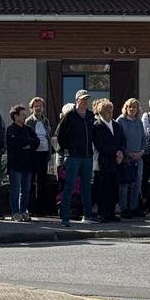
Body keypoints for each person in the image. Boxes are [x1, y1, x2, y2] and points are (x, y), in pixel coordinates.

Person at [56, 90, 96, 227]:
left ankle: (87, 215)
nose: (85, 102)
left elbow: (93, 134)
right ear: (77, 100)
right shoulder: (69, 115)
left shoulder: (90, 115)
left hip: (87, 156)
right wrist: (68, 149)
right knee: (69, 186)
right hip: (73, 157)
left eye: (86, 99)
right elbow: (60, 135)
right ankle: (65, 218)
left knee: (86, 186)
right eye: (82, 99)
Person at [91, 99, 126, 222]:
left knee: (113, 188)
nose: (110, 113)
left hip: (116, 162)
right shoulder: (97, 126)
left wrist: (121, 152)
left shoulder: (116, 125)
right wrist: (116, 152)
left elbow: (122, 141)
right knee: (103, 189)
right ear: (101, 112)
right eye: (107, 111)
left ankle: (111, 213)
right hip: (103, 162)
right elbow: (100, 145)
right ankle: (102, 213)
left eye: (111, 110)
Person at [5, 104, 38, 222]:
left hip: (28, 164)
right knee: (15, 189)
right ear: (16, 116)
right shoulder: (10, 129)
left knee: (26, 190)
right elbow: (15, 143)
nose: (25, 117)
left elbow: (36, 141)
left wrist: (27, 143)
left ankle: (23, 211)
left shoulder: (28, 129)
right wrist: (27, 142)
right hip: (15, 165)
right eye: (23, 115)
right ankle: (15, 212)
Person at [25, 97, 55, 216]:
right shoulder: (28, 121)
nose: (38, 108)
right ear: (31, 108)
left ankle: (40, 208)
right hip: (33, 155)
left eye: (40, 106)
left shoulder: (45, 121)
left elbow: (49, 136)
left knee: (42, 181)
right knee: (31, 181)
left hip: (44, 154)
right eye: (36, 106)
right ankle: (30, 208)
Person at [116, 98, 146, 219]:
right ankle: (124, 209)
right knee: (124, 185)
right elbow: (118, 140)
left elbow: (144, 139)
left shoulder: (139, 122)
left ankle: (134, 208)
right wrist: (127, 153)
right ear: (126, 108)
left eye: (134, 107)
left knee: (137, 183)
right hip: (126, 158)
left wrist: (141, 152)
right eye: (130, 107)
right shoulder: (120, 121)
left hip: (138, 157)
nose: (132, 109)